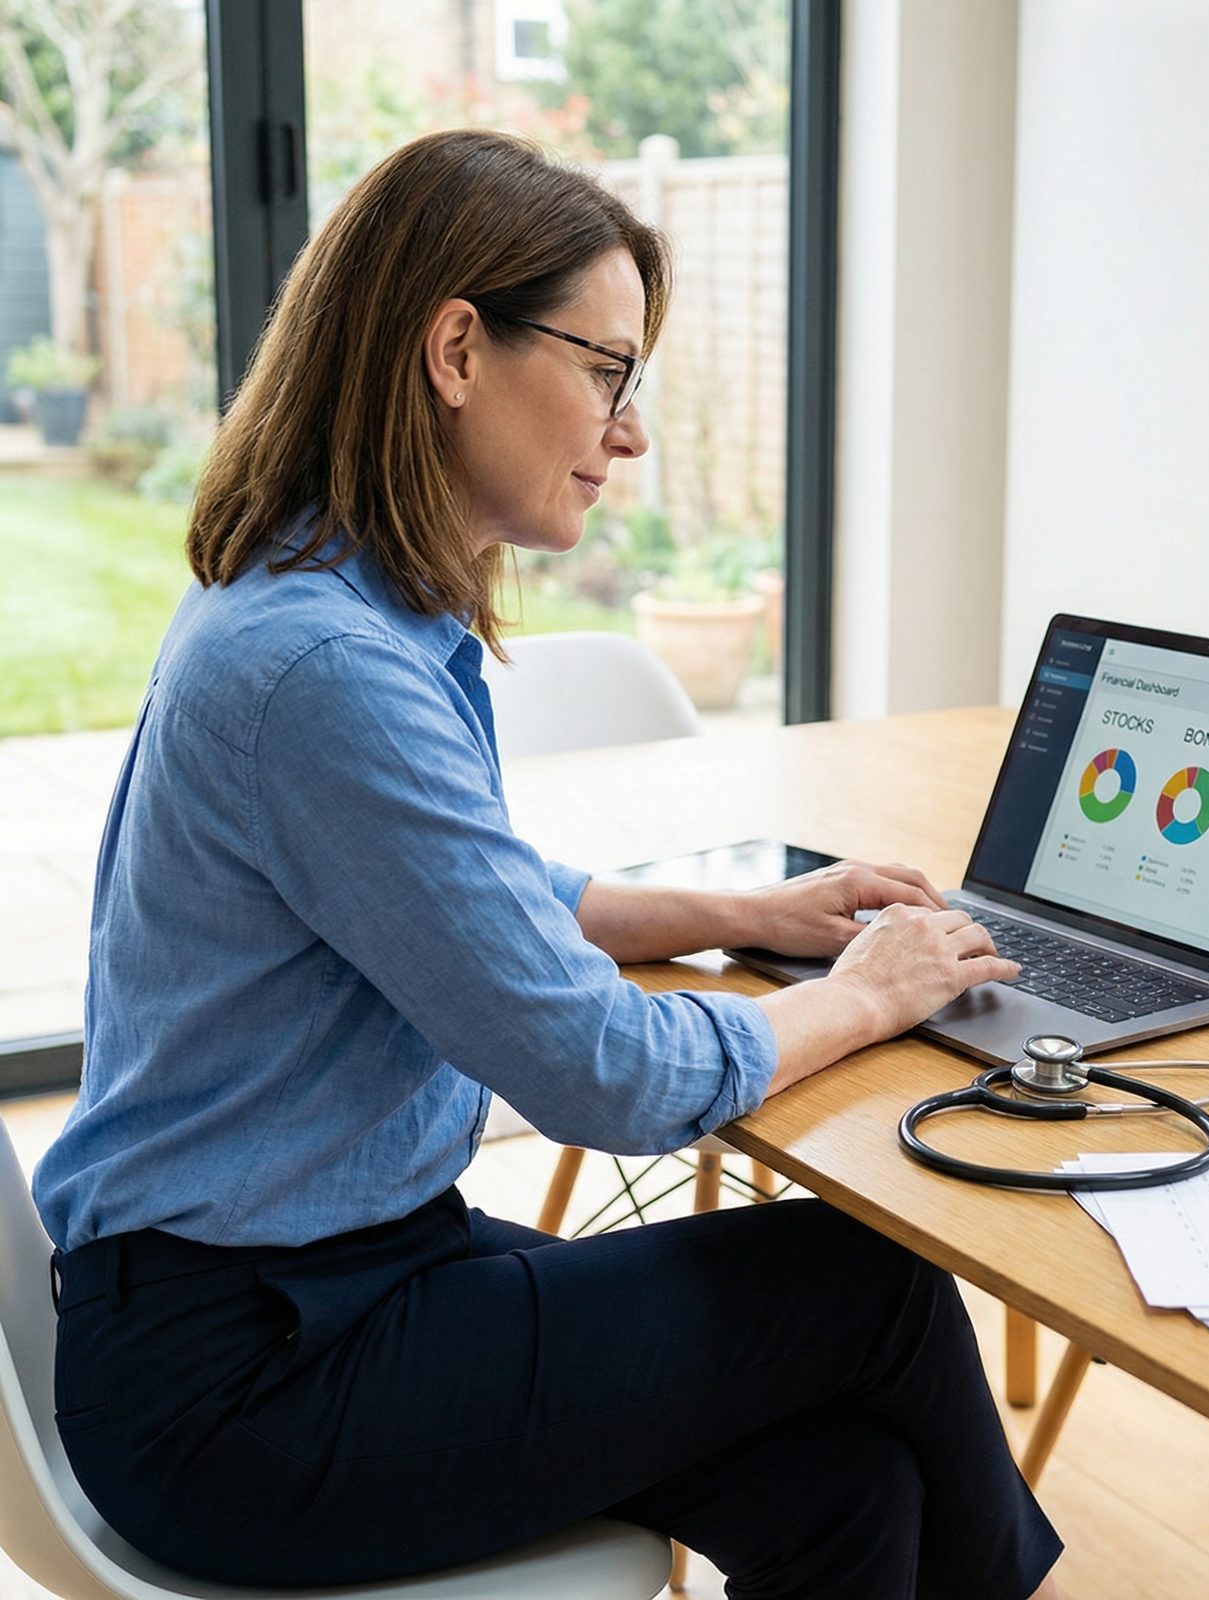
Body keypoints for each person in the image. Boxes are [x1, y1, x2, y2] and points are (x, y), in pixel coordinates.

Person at [33, 129, 1064, 1600]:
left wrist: (749, 911)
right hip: (247, 1387)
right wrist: (862, 994)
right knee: (871, 1284)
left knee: (848, 1487)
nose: (628, 432)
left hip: (334, 1288)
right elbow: (607, 1076)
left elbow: (473, 890)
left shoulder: (330, 604)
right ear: (456, 347)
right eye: (607, 370)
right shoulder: (325, 665)